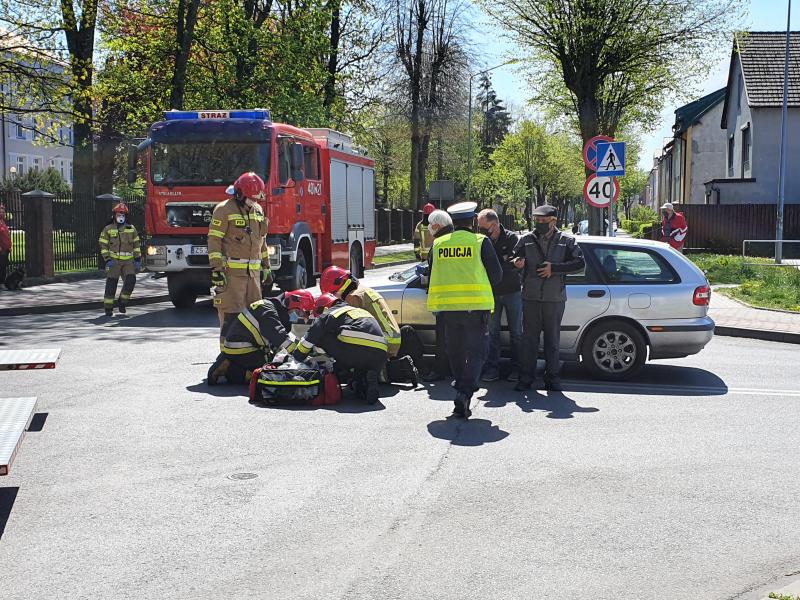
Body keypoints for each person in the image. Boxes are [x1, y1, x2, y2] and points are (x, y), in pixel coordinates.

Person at [427, 201, 502, 418]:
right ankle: (464, 391)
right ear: (473, 222)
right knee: (478, 353)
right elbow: (497, 276)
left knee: (456, 352)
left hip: (448, 309)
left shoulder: (438, 244)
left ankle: (461, 386)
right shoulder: (480, 242)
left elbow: (431, 273)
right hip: (476, 308)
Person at [511, 204, 584, 392]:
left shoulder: (567, 241)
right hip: (531, 297)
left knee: (552, 340)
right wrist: (517, 263)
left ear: (553, 221)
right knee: (529, 340)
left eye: (544, 221)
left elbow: (580, 264)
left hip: (554, 298)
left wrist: (554, 269)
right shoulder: (526, 239)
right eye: (538, 220)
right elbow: (513, 259)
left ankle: (552, 378)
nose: (540, 224)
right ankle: (525, 378)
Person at [319, 265, 418, 384]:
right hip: (392, 338)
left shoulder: (352, 297)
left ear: (340, 285)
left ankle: (393, 370)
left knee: (348, 356)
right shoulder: (363, 290)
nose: (334, 298)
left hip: (383, 341)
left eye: (333, 293)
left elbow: (348, 327)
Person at [292, 293, 388, 404]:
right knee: (359, 378)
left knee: (320, 335)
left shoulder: (329, 314)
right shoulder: (357, 311)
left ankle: (357, 379)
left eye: (318, 311)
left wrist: (297, 356)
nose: (318, 315)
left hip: (354, 350)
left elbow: (310, 338)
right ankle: (363, 383)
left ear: (325, 307)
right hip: (380, 354)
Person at [208, 171, 271, 336]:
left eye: (256, 199)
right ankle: (228, 350)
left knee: (255, 316)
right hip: (232, 276)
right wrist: (217, 269)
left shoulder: (258, 210)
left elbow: (262, 241)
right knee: (231, 317)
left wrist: (266, 266)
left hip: (253, 277)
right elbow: (214, 240)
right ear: (239, 194)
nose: (254, 201)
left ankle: (251, 349)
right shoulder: (224, 209)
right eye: (250, 198)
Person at [207, 289, 315, 385]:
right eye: (299, 313)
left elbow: (278, 341)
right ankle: (229, 370)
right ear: (292, 302)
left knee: (279, 361)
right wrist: (300, 354)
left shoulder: (272, 307)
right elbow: (280, 338)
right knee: (270, 373)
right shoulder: (268, 311)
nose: (298, 317)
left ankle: (229, 360)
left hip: (245, 347)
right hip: (242, 349)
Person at [476, 208, 522, 382]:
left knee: (516, 332)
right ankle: (492, 369)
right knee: (492, 332)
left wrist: (503, 266)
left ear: (494, 225)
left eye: (483, 228)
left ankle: (517, 368)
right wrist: (505, 265)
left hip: (512, 291)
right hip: (492, 293)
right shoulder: (482, 241)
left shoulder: (512, 238)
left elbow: (515, 263)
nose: (481, 231)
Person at [420, 209, 454, 383]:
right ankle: (454, 370)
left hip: (444, 299)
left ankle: (440, 370)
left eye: (431, 226)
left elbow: (434, 271)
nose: (429, 229)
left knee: (442, 337)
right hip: (462, 299)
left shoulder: (439, 244)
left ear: (438, 226)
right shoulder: (455, 240)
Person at [98, 202, 141, 316]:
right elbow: (103, 245)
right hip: (114, 261)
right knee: (111, 284)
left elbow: (136, 245)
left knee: (130, 281)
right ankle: (108, 308)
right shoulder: (108, 229)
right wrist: (107, 259)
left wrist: (137, 259)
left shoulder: (131, 229)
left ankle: (122, 302)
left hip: (128, 261)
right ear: (114, 215)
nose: (121, 216)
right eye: (118, 214)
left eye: (123, 215)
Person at [0, 203, 10, 288]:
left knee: (4, 266)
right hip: (1, 249)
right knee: (1, 266)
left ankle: (2, 282)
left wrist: (9, 246)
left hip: (6, 249)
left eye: (3, 212)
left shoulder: (3, 222)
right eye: (0, 212)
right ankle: (1, 283)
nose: (2, 213)